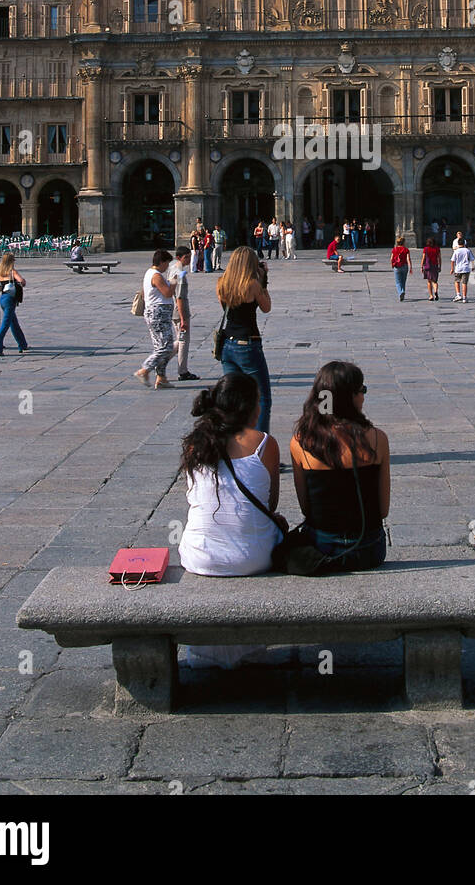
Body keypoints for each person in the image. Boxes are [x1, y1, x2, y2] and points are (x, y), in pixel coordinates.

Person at [178, 373, 283, 668]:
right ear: (250, 407)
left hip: (199, 556)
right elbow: (269, 504)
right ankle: (247, 652)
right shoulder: (264, 443)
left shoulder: (194, 444)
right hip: (253, 558)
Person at [290, 361, 390, 573]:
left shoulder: (301, 442)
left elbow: (307, 508)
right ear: (351, 397)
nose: (363, 396)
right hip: (369, 549)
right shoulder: (377, 439)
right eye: (362, 390)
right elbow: (383, 510)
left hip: (323, 547)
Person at [216, 246, 272, 434]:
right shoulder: (253, 284)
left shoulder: (221, 283)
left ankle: (233, 447)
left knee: (232, 399)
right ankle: (260, 451)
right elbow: (266, 307)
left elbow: (227, 308)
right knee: (262, 398)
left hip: (227, 345)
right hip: (247, 344)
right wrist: (263, 280)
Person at [134, 249, 175, 389]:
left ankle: (161, 378)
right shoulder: (156, 275)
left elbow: (146, 295)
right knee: (166, 347)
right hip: (159, 314)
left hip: (155, 313)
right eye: (167, 264)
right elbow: (168, 293)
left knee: (160, 347)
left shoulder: (149, 273)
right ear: (162, 262)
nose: (168, 267)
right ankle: (144, 370)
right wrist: (174, 281)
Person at [168, 246, 199, 381]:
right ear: (179, 257)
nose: (188, 259)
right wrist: (183, 318)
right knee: (183, 342)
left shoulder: (172, 268)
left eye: (189, 256)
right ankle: (182, 370)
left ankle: (161, 359)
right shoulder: (179, 273)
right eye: (186, 257)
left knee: (180, 340)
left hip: (174, 310)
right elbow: (179, 297)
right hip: (180, 311)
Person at [0, 252, 28, 355]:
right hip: (10, 299)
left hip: (2, 298)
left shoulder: (0, 272)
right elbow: (22, 281)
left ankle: (22, 344)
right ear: (11, 261)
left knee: (13, 322)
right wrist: (20, 283)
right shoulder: (12, 272)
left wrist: (2, 288)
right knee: (5, 324)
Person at [450, 235, 475, 302]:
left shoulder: (456, 251)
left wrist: (452, 269)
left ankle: (458, 295)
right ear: (464, 243)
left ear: (458, 243)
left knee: (457, 281)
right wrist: (473, 266)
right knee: (464, 283)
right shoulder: (467, 250)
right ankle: (464, 297)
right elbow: (472, 259)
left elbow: (452, 260)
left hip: (458, 269)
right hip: (466, 268)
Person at [391, 235, 412, 300]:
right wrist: (410, 267)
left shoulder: (394, 249)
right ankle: (402, 292)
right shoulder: (406, 249)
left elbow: (391, 258)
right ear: (403, 242)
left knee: (398, 282)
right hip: (404, 266)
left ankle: (401, 292)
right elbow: (408, 259)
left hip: (397, 266)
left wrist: (392, 265)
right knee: (403, 281)